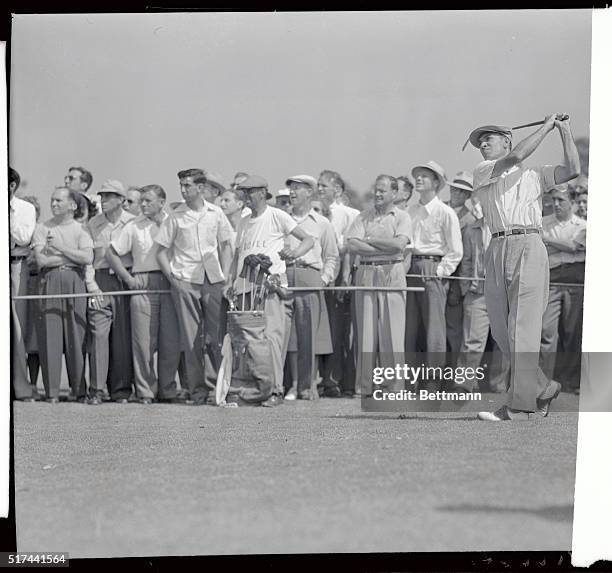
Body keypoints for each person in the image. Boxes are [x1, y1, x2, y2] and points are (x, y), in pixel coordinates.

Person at [469, 114, 581, 421]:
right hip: (497, 246)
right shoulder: (483, 170)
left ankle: (519, 405)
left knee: (524, 328)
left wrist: (564, 129)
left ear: (505, 139)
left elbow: (573, 170)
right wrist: (547, 125)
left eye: (488, 138)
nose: (483, 145)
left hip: (530, 245)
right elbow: (517, 155)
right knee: (502, 331)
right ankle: (544, 387)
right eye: (480, 142)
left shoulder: (535, 174)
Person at [225, 175, 314, 407]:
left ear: (263, 192)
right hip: (245, 287)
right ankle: (254, 389)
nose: (246, 197)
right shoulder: (244, 221)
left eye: (250, 192)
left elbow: (308, 239)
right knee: (249, 342)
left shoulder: (277, 215)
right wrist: (230, 281)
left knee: (273, 339)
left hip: (271, 286)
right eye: (243, 192)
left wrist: (294, 254)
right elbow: (237, 256)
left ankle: (276, 390)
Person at [156, 169, 234, 405]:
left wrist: (226, 277)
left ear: (201, 188)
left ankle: (219, 388)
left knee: (216, 337)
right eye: (181, 185)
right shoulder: (175, 216)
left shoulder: (216, 213)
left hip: (213, 281)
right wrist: (174, 280)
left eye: (188, 185)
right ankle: (197, 391)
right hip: (185, 281)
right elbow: (160, 252)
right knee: (191, 341)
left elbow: (226, 246)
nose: (183, 190)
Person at [106, 185, 182, 404]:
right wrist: (128, 279)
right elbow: (111, 253)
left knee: (170, 340)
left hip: (169, 281)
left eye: (148, 200)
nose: (144, 205)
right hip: (142, 281)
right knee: (143, 341)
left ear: (162, 201)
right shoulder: (134, 226)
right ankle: (145, 391)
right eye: (142, 201)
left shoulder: (175, 221)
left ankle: (167, 389)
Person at [346, 174, 412, 397]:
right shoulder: (362, 216)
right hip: (365, 272)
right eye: (376, 189)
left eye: (383, 190)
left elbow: (399, 245)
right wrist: (384, 246)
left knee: (392, 334)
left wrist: (369, 240)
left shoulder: (402, 217)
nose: (377, 193)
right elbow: (352, 245)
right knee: (365, 333)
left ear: (394, 193)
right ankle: (365, 387)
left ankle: (394, 387)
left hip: (392, 272)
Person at [31, 187, 93, 402]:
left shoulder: (81, 229)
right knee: (50, 335)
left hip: (75, 282)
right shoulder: (42, 228)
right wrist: (71, 257)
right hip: (49, 281)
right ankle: (52, 392)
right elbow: (42, 261)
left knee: (77, 334)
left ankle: (78, 390)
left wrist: (60, 248)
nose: (54, 204)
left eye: (59, 200)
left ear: (72, 205)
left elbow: (87, 258)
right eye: (52, 200)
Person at [405, 161, 462, 392]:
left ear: (436, 183)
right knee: (410, 328)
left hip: (432, 268)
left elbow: (455, 250)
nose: (418, 179)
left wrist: (439, 272)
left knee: (434, 329)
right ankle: (409, 379)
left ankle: (433, 380)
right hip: (410, 268)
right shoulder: (410, 211)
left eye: (425, 176)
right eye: (417, 175)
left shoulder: (445, 212)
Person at [283, 175, 338, 401]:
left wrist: (323, 279)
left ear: (309, 192)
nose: (293, 193)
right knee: (289, 335)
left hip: (310, 276)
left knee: (309, 335)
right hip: (285, 276)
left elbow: (331, 255)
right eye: (291, 189)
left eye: (298, 189)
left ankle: (308, 386)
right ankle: (293, 385)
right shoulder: (281, 219)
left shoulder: (321, 223)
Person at [86, 179, 136, 404]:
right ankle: (96, 390)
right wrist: (92, 286)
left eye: (108, 196)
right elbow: (88, 260)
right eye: (102, 196)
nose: (103, 200)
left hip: (125, 280)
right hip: (100, 281)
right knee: (99, 334)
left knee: (123, 335)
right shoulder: (93, 223)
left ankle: (121, 390)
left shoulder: (133, 222)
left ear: (121, 200)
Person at [539, 184, 586, 393]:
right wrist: (566, 244)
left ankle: (570, 382)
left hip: (575, 281)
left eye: (561, 200)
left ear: (573, 203)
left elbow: (576, 247)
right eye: (554, 200)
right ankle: (543, 382)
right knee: (546, 332)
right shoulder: (543, 223)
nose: (556, 204)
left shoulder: (583, 225)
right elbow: (544, 249)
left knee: (572, 332)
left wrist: (550, 242)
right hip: (551, 279)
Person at [317, 169, 360, 397]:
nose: (320, 189)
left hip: (339, 274)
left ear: (337, 189)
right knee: (323, 330)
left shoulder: (348, 213)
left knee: (339, 330)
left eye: (324, 185)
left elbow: (350, 248)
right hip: (320, 273)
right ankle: (324, 379)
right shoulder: (315, 212)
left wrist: (344, 276)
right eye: (319, 185)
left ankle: (339, 380)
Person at [457, 215, 510, 393]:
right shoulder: (472, 228)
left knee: (503, 342)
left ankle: (499, 385)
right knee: (472, 340)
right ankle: (464, 384)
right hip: (477, 291)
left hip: (504, 292)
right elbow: (466, 261)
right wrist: (465, 287)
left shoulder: (510, 226)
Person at [9, 167, 38, 401]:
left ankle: (20, 387)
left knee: (16, 329)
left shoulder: (25, 209)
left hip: (15, 266)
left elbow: (23, 238)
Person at [445, 172, 476, 359]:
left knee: (454, 329)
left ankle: (453, 374)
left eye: (462, 191)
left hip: (456, 280)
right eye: (454, 189)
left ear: (468, 196)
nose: (456, 193)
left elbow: (466, 254)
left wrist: (460, 286)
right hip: (436, 274)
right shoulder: (440, 209)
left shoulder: (470, 219)